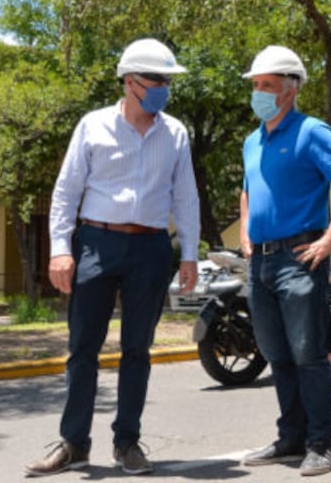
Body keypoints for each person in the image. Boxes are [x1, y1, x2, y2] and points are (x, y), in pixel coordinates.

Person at [25, 38, 200, 477]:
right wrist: (61, 249)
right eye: (155, 79)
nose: (163, 87)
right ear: (130, 82)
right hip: (96, 245)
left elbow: (186, 196)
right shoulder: (93, 125)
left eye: (166, 80)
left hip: (151, 248)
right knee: (82, 348)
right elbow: (66, 191)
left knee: (137, 350)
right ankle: (74, 443)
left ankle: (127, 443)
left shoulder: (175, 132)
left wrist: (190, 254)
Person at [238, 45, 331, 477]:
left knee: (310, 355)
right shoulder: (252, 140)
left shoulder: (312, 132)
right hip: (262, 264)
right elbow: (248, 189)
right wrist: (244, 233)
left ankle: (321, 444)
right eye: (255, 85)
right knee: (277, 354)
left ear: (290, 90)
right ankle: (291, 436)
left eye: (266, 86)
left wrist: (329, 239)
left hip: (300, 257)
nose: (258, 93)